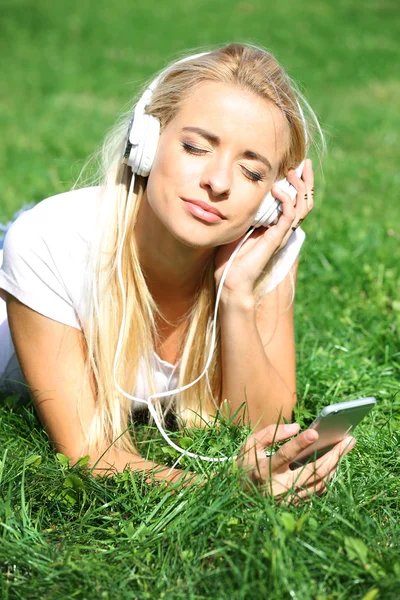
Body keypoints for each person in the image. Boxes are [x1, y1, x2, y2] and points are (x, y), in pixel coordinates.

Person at [0, 43, 356, 502]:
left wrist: (238, 294)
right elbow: (90, 452)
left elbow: (264, 424)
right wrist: (229, 487)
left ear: (273, 199)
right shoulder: (49, 242)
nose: (219, 182)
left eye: (251, 173)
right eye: (195, 147)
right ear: (145, 143)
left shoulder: (266, 246)